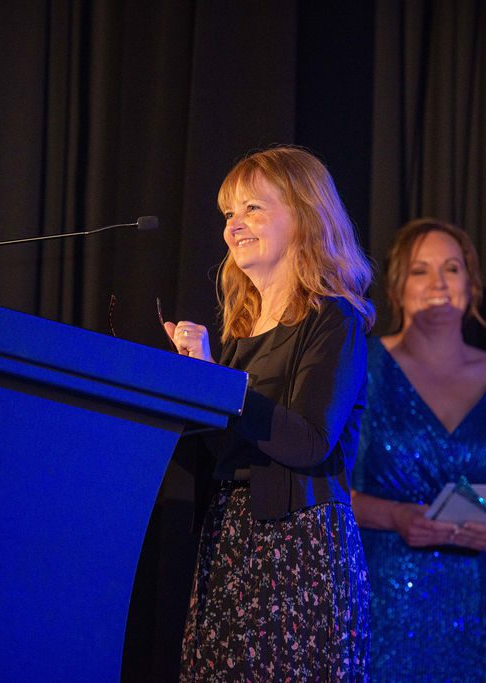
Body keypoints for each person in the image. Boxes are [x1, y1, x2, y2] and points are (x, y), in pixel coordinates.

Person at [166, 146, 376, 681]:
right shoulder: (239, 335)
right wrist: (181, 387)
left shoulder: (335, 319)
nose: (234, 226)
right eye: (228, 214)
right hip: (230, 543)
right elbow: (218, 454)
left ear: (305, 215)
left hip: (298, 548)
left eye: (253, 208)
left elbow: (308, 440)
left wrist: (215, 385)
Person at [350, 218, 486, 681]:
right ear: (396, 288)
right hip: (384, 600)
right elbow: (324, 489)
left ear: (471, 284)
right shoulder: (359, 366)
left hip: (483, 606)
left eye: (452, 269)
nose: (438, 283)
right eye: (420, 270)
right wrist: (396, 516)